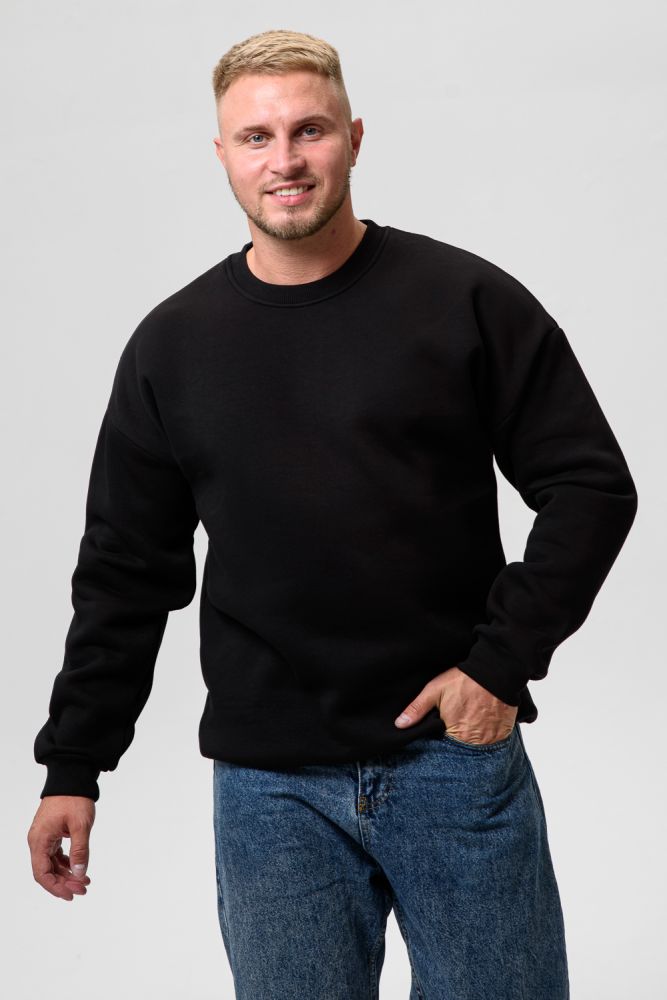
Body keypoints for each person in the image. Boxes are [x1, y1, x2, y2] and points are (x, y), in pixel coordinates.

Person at [28, 27, 637, 999]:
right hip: (270, 790)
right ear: (222, 155)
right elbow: (125, 575)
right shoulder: (172, 348)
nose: (285, 158)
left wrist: (498, 665)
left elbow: (591, 486)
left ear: (353, 138)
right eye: (256, 136)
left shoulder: (464, 301)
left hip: (451, 758)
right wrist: (74, 764)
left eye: (308, 130)